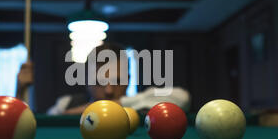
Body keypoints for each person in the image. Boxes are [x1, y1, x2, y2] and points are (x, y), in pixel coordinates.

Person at [16, 42, 191, 115]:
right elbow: (30, 126)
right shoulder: (66, 104)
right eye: (99, 82)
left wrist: (99, 107)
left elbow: (183, 98)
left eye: (117, 81)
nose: (109, 90)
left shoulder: (145, 103)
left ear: (129, 79)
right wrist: (21, 90)